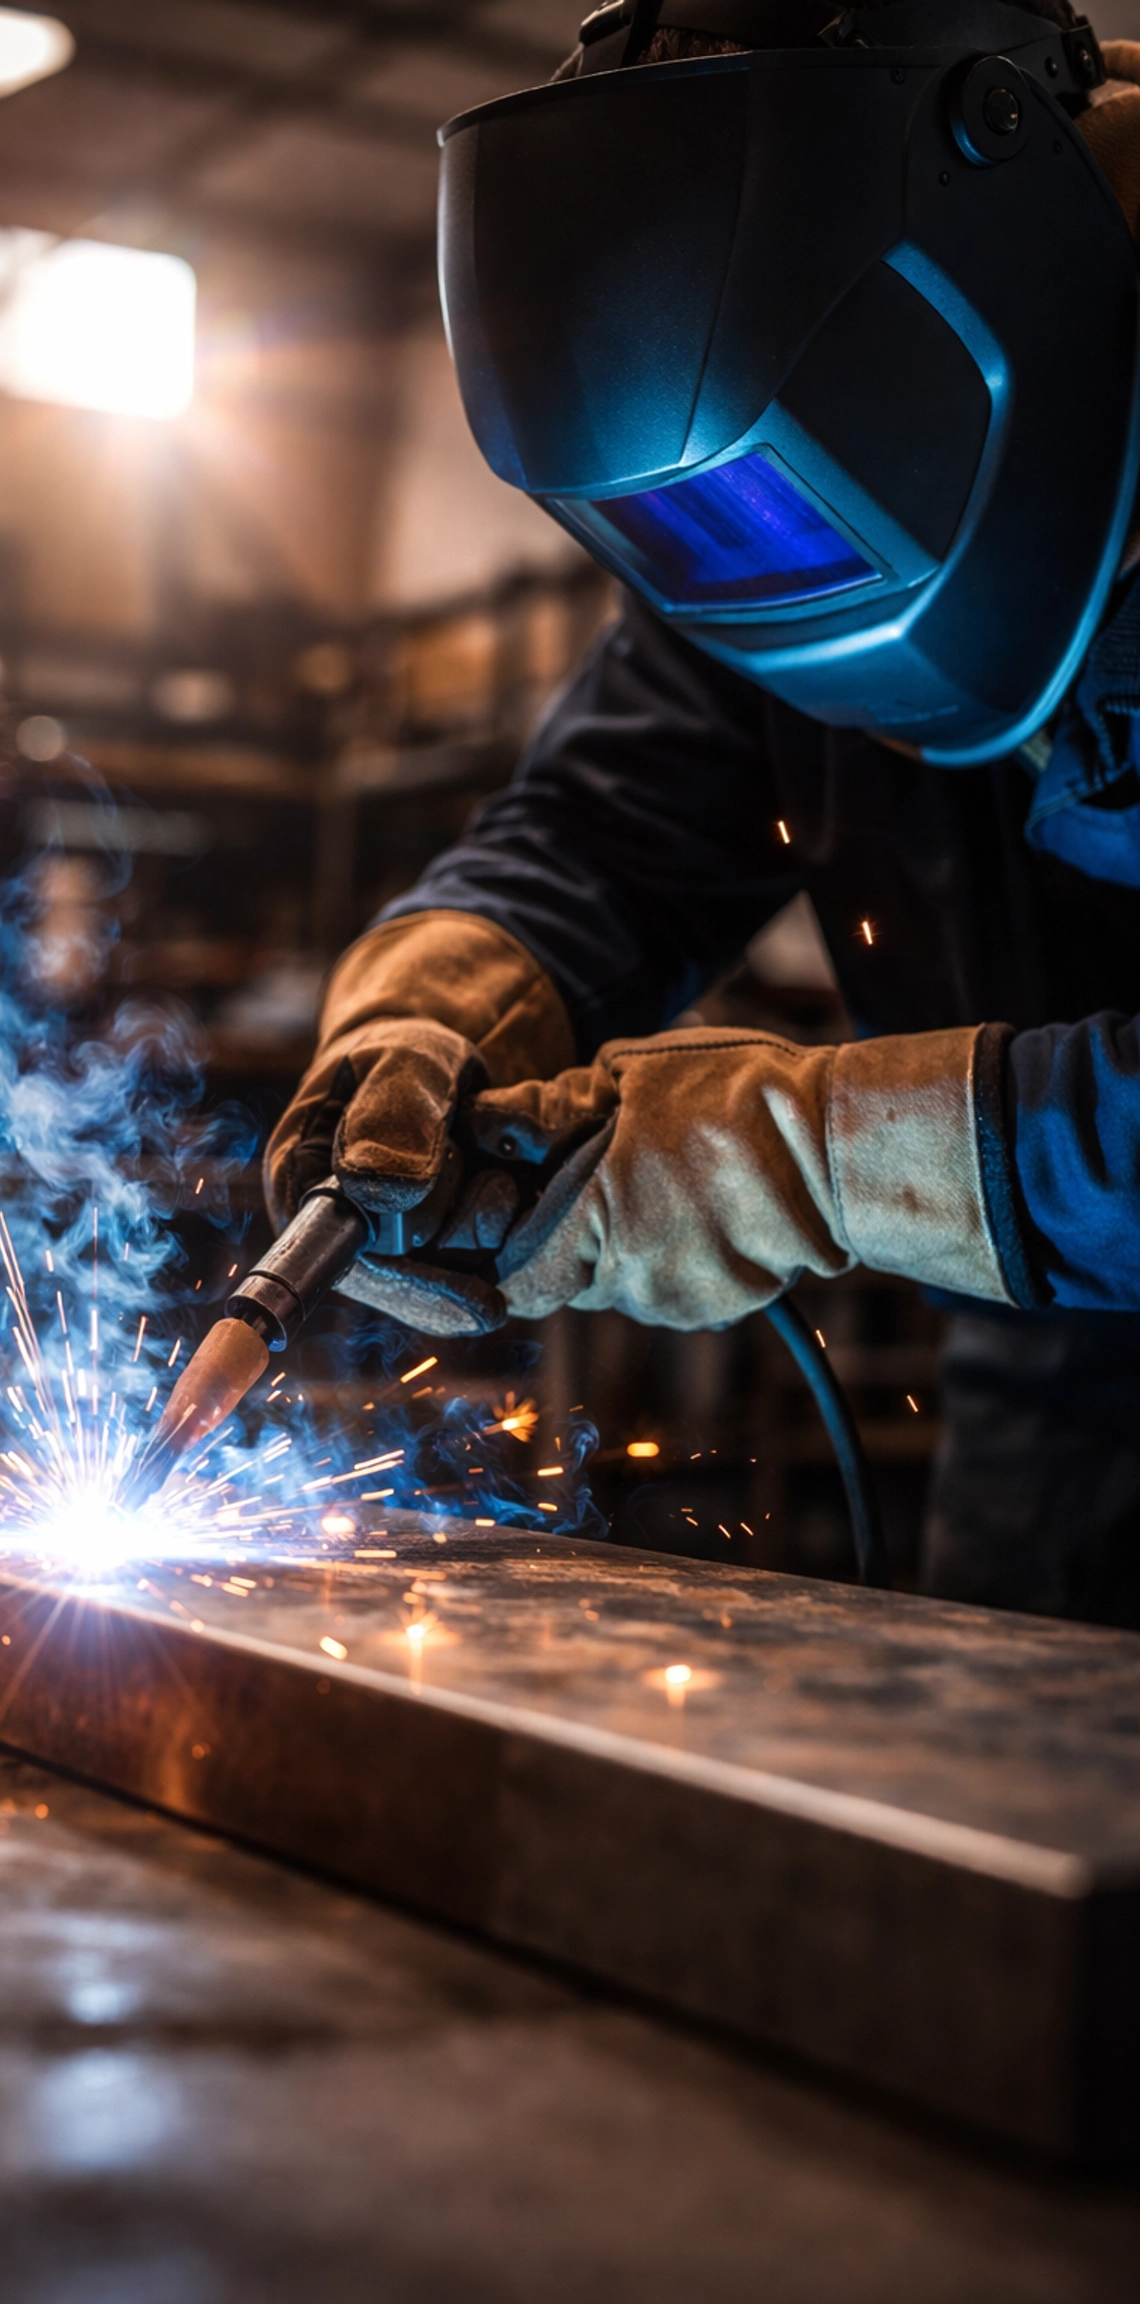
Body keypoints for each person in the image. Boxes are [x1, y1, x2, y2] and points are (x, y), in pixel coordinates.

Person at [266, 0, 1140, 1624]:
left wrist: (804, 1165)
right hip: (1050, 1342)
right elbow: (610, 827)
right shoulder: (773, 469)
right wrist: (431, 1008)